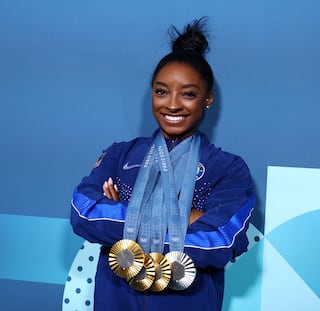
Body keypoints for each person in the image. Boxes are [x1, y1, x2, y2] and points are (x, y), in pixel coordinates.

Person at [70, 17, 255, 311]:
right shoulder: (120, 155)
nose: (172, 104)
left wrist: (125, 215)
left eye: (189, 94)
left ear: (207, 99)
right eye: (161, 91)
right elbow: (83, 212)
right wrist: (189, 216)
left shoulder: (229, 169)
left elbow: (219, 241)